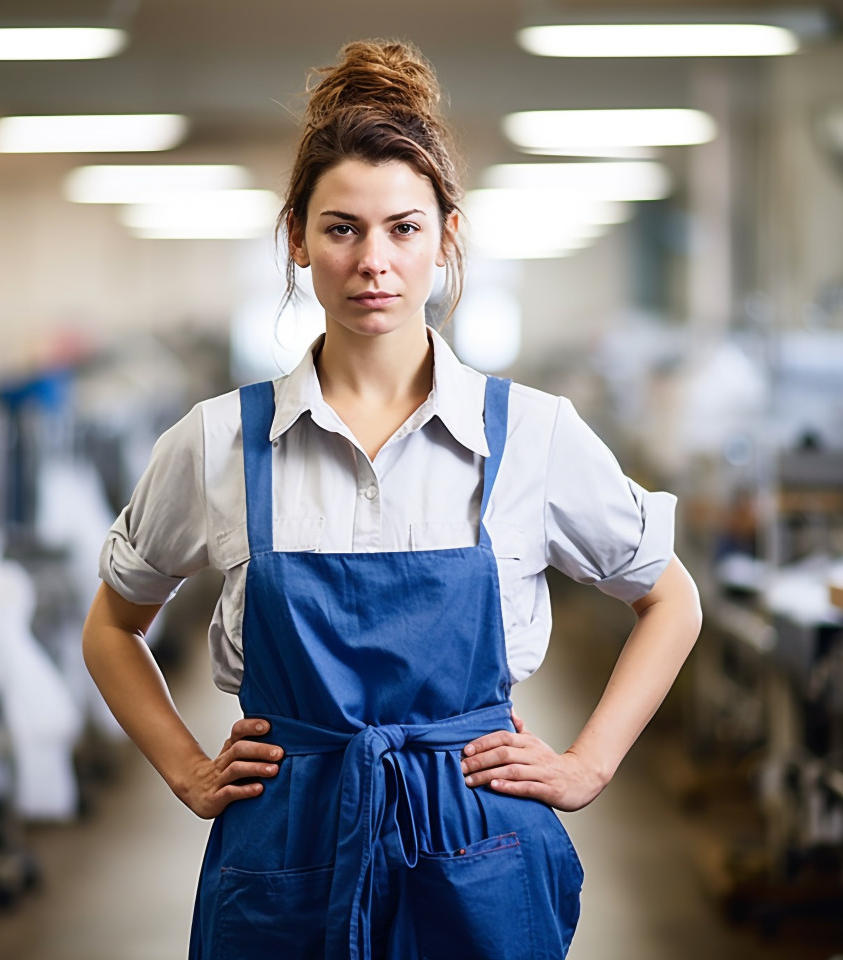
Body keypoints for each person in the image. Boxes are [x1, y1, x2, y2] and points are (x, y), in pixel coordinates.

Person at [82, 39, 702, 960]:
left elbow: (670, 597)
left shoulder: (531, 435)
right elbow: (111, 625)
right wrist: (184, 767)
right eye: (342, 228)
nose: (374, 260)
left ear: (447, 236)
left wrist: (588, 764)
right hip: (287, 853)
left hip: (477, 848)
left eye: (404, 228)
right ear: (297, 237)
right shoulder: (217, 440)